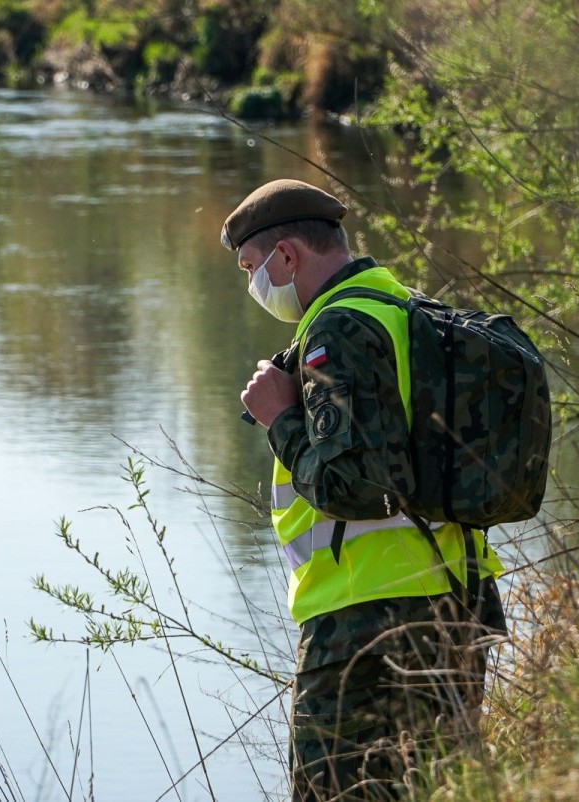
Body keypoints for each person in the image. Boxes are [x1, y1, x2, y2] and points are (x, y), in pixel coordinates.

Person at [222, 179, 508, 801]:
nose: (254, 286)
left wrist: (282, 420)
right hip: (455, 600)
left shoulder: (338, 333)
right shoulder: (403, 310)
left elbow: (360, 486)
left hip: (368, 627)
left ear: (288, 257)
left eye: (252, 269)